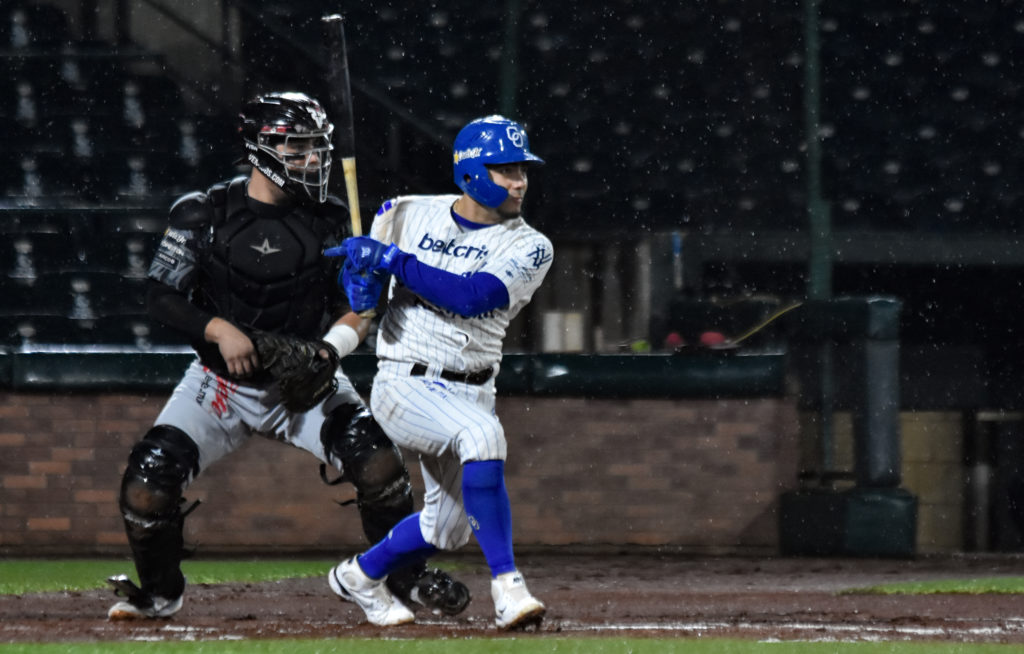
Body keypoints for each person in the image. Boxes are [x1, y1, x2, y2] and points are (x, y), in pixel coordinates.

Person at [105, 91, 469, 620]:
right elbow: (161, 295)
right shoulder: (202, 212)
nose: (313, 159)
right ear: (259, 147)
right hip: (219, 384)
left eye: (317, 147)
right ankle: (161, 593)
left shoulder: (332, 218)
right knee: (147, 483)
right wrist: (220, 330)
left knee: (379, 465)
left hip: (309, 380)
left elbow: (355, 311)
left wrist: (331, 347)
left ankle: (405, 578)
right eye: (298, 148)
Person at [324, 115, 554, 630]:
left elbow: (472, 298)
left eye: (522, 170)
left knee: (446, 529)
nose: (519, 181)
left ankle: (360, 575)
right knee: (482, 437)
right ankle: (508, 587)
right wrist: (360, 282)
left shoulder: (531, 245)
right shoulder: (403, 212)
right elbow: (364, 298)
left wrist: (391, 259)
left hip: (472, 389)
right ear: (471, 172)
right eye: (506, 169)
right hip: (404, 381)